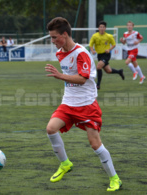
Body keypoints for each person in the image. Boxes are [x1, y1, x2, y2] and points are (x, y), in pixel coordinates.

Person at [45, 17, 122, 192]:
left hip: (87, 105)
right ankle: (65, 163)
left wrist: (60, 76)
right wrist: (63, 78)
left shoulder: (81, 53)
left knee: (95, 144)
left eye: (55, 37)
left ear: (64, 34)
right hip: (68, 102)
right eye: (51, 37)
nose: (53, 41)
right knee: (51, 129)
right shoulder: (59, 53)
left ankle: (115, 178)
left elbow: (82, 78)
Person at [89, 21, 124, 89]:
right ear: (98, 28)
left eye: (103, 27)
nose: (102, 28)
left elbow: (114, 44)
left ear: (105, 28)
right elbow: (91, 44)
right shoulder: (94, 36)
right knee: (108, 71)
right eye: (100, 27)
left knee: (99, 66)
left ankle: (98, 84)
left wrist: (109, 49)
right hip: (99, 55)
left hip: (106, 55)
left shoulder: (109, 36)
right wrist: (92, 50)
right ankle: (119, 71)